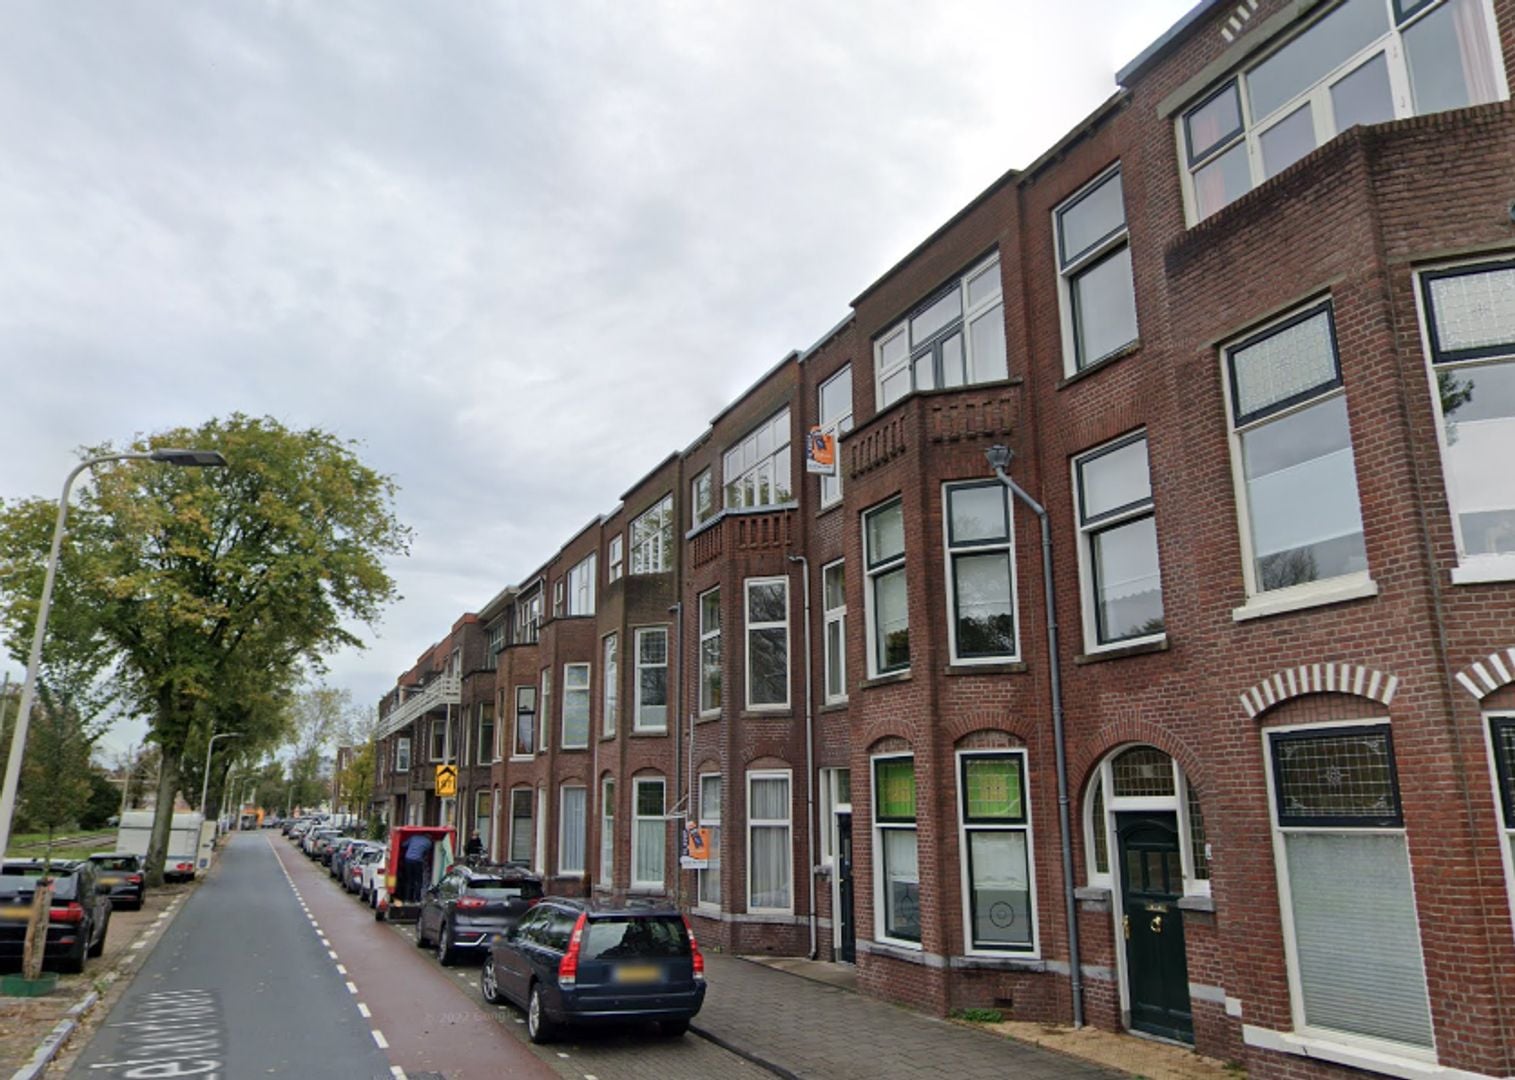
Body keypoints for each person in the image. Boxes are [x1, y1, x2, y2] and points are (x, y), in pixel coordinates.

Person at [401, 831, 433, 902]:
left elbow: (403, 844)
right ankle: (417, 899)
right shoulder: (429, 843)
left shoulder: (414, 837)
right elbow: (426, 853)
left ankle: (407, 899)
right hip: (418, 861)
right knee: (418, 881)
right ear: (429, 837)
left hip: (408, 860)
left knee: (409, 880)